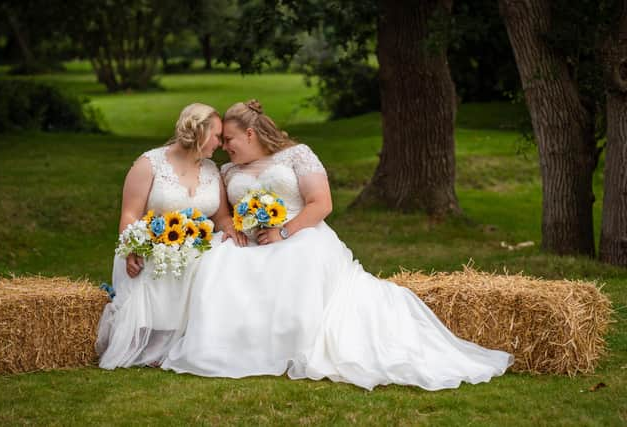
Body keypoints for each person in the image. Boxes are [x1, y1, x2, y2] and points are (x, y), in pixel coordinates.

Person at [162, 100, 514, 391]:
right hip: (254, 242)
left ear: (250, 133)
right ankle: (235, 346)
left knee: (294, 264)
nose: (224, 147)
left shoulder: (297, 155)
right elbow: (226, 214)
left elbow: (321, 204)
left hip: (300, 235)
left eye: (229, 140)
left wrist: (285, 232)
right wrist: (237, 228)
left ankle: (294, 342)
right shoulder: (227, 172)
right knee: (222, 265)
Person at [96, 103, 246, 369]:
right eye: (217, 136)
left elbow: (221, 216)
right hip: (152, 247)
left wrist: (232, 230)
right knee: (163, 264)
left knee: (223, 262)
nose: (221, 144)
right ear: (199, 133)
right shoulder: (149, 164)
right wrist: (133, 248)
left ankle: (208, 339)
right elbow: (130, 216)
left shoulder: (212, 169)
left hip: (197, 245)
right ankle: (153, 343)